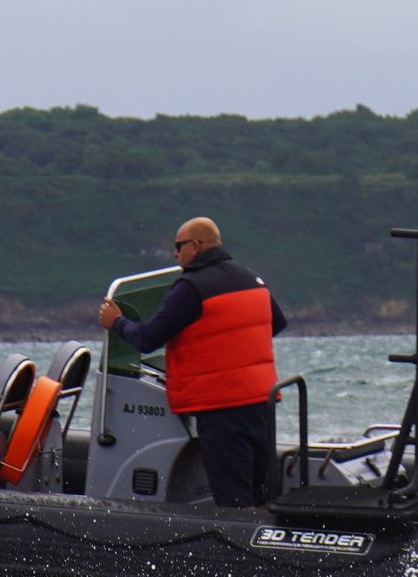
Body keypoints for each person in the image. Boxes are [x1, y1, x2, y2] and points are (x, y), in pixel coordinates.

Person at [98, 217, 288, 507]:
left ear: (196, 246)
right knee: (262, 493)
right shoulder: (251, 278)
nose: (175, 254)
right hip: (262, 402)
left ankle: (234, 550)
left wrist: (118, 322)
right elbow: (274, 324)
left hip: (223, 408)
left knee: (234, 500)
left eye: (179, 246)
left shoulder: (191, 287)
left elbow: (149, 338)